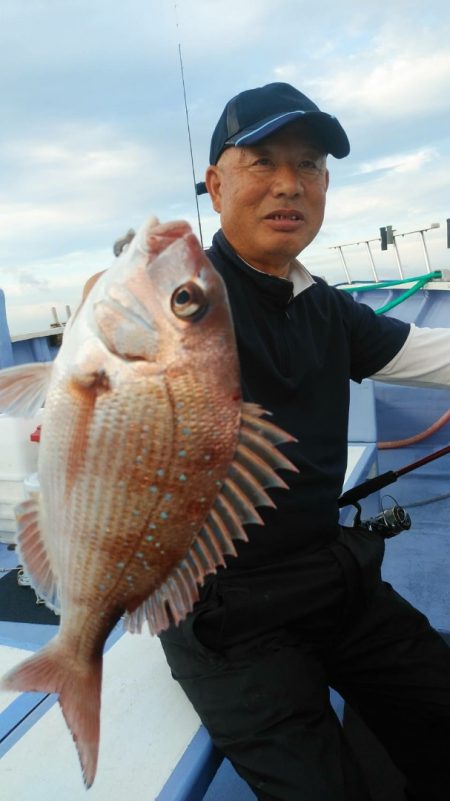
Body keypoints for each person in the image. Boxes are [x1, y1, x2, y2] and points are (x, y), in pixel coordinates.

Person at [156, 83, 450, 801]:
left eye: (310, 164)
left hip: (333, 574)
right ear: (216, 186)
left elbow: (431, 354)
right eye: (262, 161)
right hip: (225, 612)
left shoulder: (326, 306)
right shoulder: (179, 300)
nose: (289, 183)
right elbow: (119, 357)